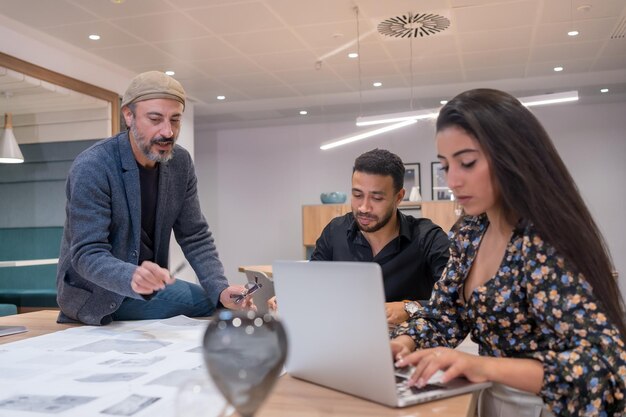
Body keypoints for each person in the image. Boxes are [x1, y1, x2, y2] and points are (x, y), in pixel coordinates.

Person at [391, 88, 626, 416]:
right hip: (492, 399)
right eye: (445, 166)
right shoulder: (471, 232)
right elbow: (447, 315)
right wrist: (403, 344)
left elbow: (602, 369)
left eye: (468, 163)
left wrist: (482, 366)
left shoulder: (545, 242)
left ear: (511, 156)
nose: (453, 180)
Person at [56, 71, 251, 326]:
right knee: (208, 307)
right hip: (95, 294)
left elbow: (194, 235)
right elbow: (86, 253)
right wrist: (132, 276)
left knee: (214, 300)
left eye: (175, 120)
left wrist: (220, 289)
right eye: (155, 119)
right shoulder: (93, 166)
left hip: (147, 289)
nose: (167, 131)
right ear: (129, 115)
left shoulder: (180, 163)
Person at [311, 149, 450, 325]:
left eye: (376, 198)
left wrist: (411, 308)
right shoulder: (334, 232)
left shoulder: (428, 238)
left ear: (399, 197)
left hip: (408, 344)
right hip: (343, 338)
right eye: (357, 195)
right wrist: (290, 298)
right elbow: (312, 287)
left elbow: (455, 300)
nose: (363, 207)